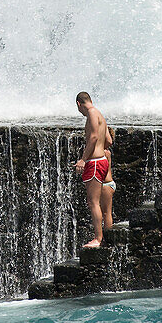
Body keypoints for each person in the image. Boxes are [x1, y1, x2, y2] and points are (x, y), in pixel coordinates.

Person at [74, 91, 110, 248]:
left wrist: (83, 159)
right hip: (102, 160)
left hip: (95, 163)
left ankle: (98, 238)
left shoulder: (91, 114)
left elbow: (94, 137)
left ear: (78, 104)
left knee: (93, 202)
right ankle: (105, 237)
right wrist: (101, 150)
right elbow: (108, 139)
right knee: (99, 204)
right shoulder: (100, 114)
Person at [101, 126, 116, 229]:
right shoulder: (106, 152)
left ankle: (107, 237)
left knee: (106, 213)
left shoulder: (104, 152)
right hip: (107, 184)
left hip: (106, 185)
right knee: (104, 213)